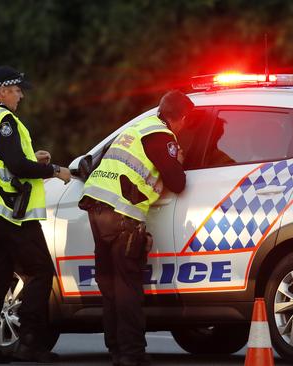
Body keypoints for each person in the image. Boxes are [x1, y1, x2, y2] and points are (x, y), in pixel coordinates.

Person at [0, 65, 72, 364]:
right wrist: (53, 170)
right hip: (11, 212)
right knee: (39, 272)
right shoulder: (4, 120)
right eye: (16, 90)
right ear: (1, 91)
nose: (21, 95)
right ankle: (31, 344)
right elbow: (17, 167)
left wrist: (29, 160)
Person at [79, 90, 194, 366]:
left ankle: (117, 350)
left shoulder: (137, 127)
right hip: (122, 215)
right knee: (127, 286)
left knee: (109, 285)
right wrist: (177, 161)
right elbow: (177, 183)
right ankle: (131, 354)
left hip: (97, 209)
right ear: (181, 118)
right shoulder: (161, 137)